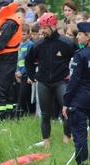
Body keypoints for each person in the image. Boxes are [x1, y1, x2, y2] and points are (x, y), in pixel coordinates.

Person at [25, 13, 79, 147]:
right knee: (45, 114)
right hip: (44, 82)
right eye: (41, 28)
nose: (42, 31)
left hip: (61, 81)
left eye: (45, 28)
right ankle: (46, 142)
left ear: (53, 26)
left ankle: (67, 138)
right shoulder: (38, 44)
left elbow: (79, 58)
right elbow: (29, 61)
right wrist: (33, 77)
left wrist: (73, 76)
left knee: (67, 111)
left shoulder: (67, 43)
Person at [62, 22, 90, 165]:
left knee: (79, 135)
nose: (77, 37)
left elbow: (74, 80)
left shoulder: (81, 55)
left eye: (79, 34)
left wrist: (66, 102)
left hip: (81, 99)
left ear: (88, 36)